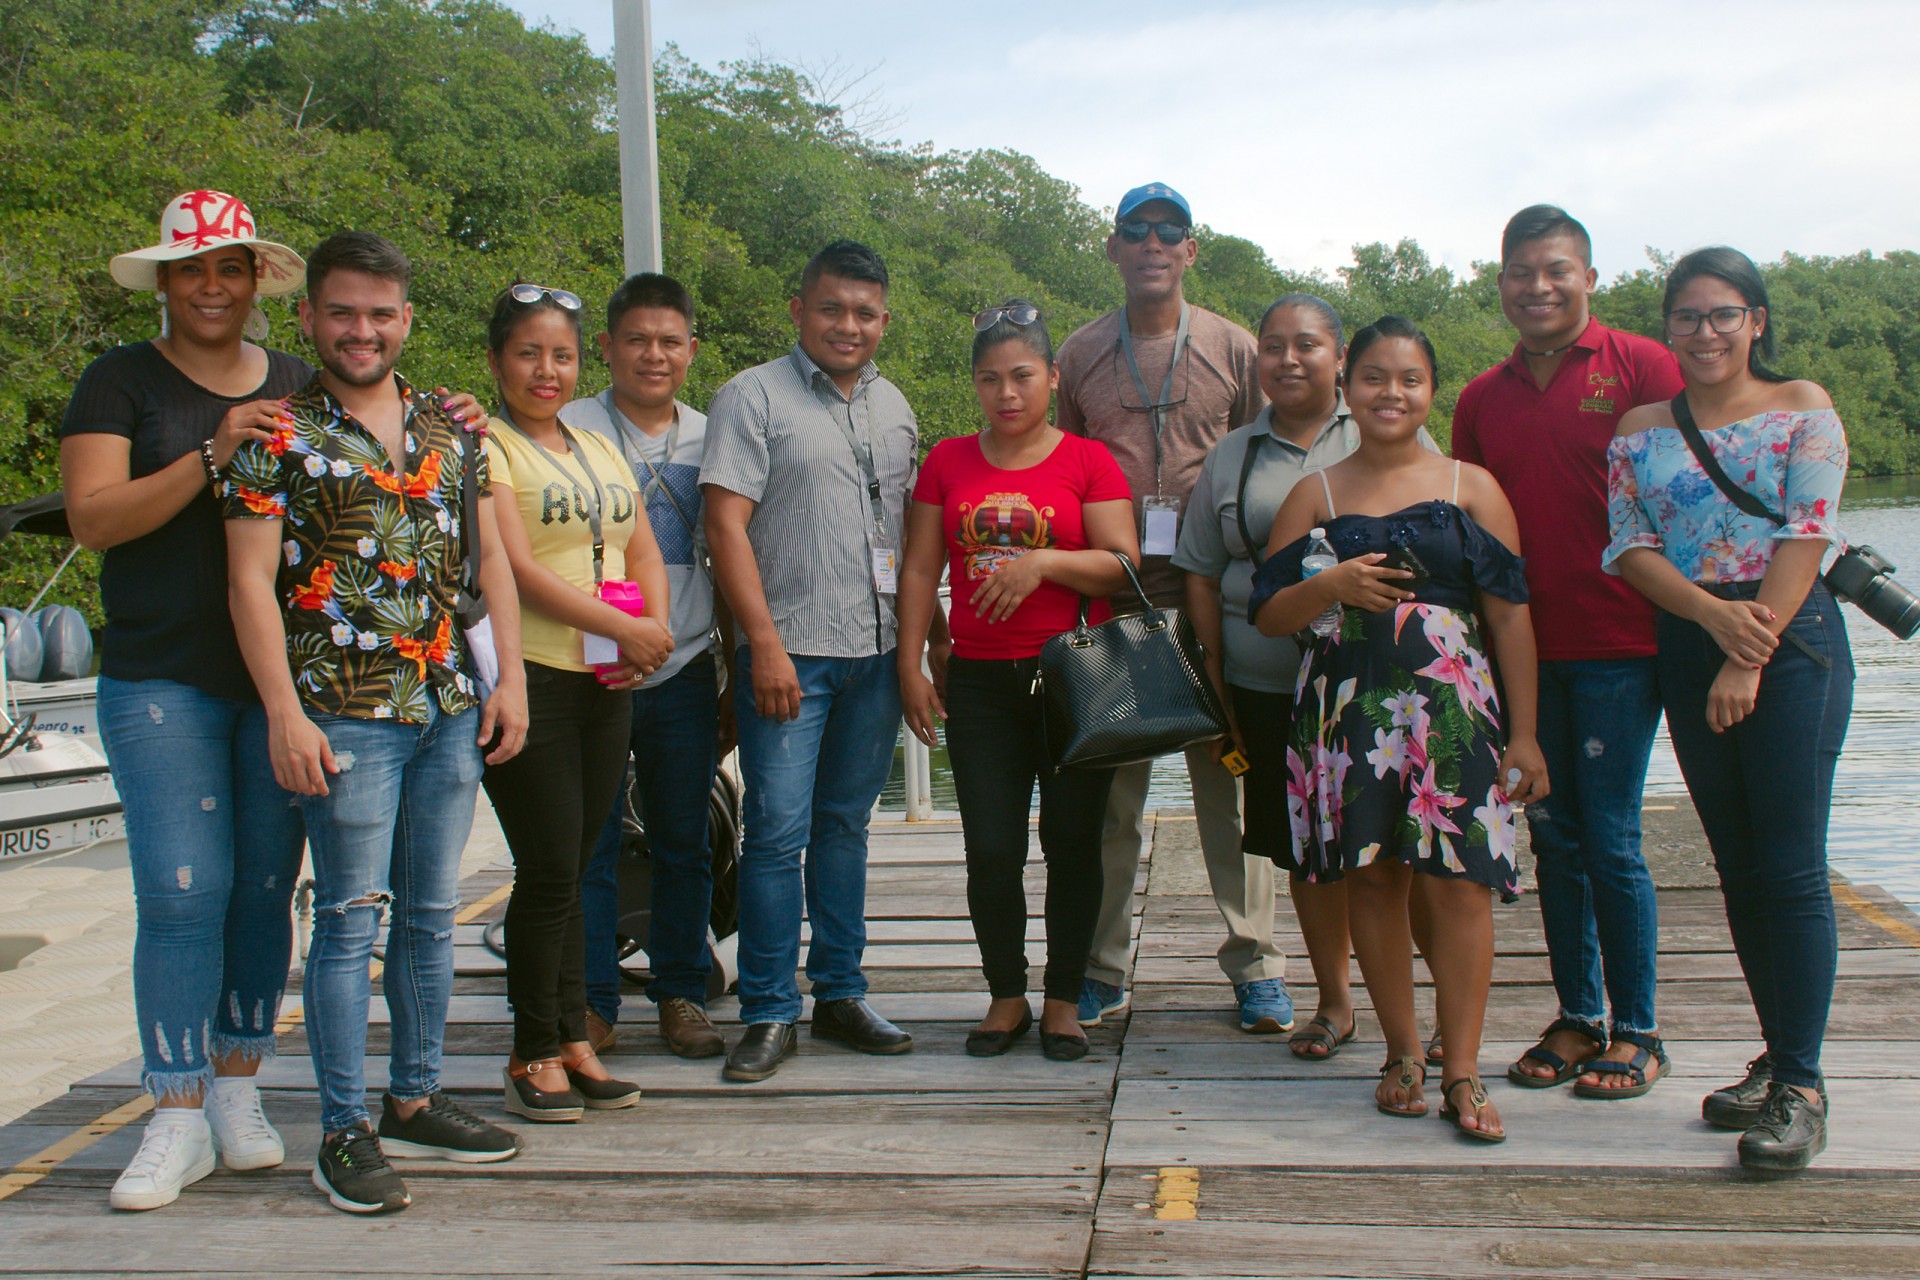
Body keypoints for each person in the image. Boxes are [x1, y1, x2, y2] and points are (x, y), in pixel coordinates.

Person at [224, 231, 530, 1214]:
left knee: (432, 914)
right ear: (309, 318)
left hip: (445, 702)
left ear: (406, 319)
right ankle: (343, 1127)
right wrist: (283, 712)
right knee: (349, 920)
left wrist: (509, 680)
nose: (363, 330)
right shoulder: (276, 430)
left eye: (381, 313)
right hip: (341, 711)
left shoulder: (451, 427)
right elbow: (248, 582)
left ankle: (417, 1094)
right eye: (343, 312)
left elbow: (487, 569)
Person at [58, 191, 312, 1212]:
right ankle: (172, 1108)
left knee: (262, 885)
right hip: (160, 670)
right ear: (163, 279)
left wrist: (457, 423)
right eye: (193, 268)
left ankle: (238, 1092)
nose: (213, 286)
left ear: (257, 281)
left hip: (279, 680)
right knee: (179, 890)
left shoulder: (299, 382)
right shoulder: (119, 380)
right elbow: (95, 517)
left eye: (231, 268)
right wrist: (210, 453)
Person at [1251, 315, 1547, 1143]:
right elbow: (1269, 614)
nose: (1392, 393)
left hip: (1454, 713)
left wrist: (1524, 736)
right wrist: (1332, 583)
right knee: (1373, 879)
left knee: (1461, 884)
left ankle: (1464, 1068)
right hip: (1346, 716)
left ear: (1431, 389)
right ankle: (1402, 1055)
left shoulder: (1472, 488)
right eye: (1375, 377)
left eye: (1409, 378)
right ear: (1348, 385)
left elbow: (1513, 621)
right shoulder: (1318, 493)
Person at [1606, 247, 1852, 1172]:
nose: (1704, 333)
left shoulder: (1803, 405)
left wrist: (1748, 652)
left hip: (1792, 643)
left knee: (1789, 865)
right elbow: (1627, 544)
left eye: (1723, 315)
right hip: (1689, 635)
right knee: (1738, 864)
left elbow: (1808, 530)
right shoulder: (1640, 425)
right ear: (1667, 328)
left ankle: (1803, 1083)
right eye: (1686, 317)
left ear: (1755, 320)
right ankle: (1777, 1055)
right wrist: (1710, 621)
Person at [1452, 205, 1685, 1094]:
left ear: (1589, 277)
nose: (1538, 288)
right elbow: (1469, 533)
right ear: (1501, 280)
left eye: (1557, 271)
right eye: (1521, 272)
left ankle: (1641, 1029)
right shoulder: (1481, 398)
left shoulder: (1645, 367)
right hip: (1522, 650)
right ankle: (1581, 1015)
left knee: (1612, 837)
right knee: (1551, 835)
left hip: (1626, 640)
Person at [1173, 294, 1438, 1060]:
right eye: (1273, 346)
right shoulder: (1234, 453)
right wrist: (1212, 682)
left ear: (1340, 361)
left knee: (1393, 847)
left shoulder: (1384, 428)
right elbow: (1200, 571)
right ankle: (1334, 1002)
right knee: (1306, 848)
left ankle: (1420, 1012)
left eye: (1309, 345)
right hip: (1265, 683)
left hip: (1376, 683)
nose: (1289, 360)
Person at [1055, 182, 1286, 1034]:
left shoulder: (1234, 346)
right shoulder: (1079, 355)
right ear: (1112, 248)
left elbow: (1261, 463)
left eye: (1170, 231)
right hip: (1118, 605)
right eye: (1135, 231)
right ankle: (1103, 969)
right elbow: (1070, 467)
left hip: (1214, 601)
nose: (1152, 243)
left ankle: (1257, 965)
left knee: (1233, 794)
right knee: (1113, 803)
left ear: (1192, 250)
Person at [701, 240, 920, 1082]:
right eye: (831, 308)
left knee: (844, 829)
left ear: (884, 321)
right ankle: (766, 1008)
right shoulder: (750, 396)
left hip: (873, 654)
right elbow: (725, 527)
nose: (848, 326)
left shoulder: (895, 404)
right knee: (774, 835)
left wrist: (914, 649)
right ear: (798, 309)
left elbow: (903, 537)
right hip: (790, 652)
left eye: (865, 313)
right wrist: (761, 646)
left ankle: (839, 991)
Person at [897, 301, 1138, 1062]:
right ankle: (1006, 994)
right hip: (979, 683)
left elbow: (1122, 560)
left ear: (1052, 378)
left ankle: (1065, 998)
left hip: (1075, 676)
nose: (1006, 393)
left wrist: (1043, 562)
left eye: (1022, 376)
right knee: (991, 849)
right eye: (989, 379)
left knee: (1073, 843)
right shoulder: (948, 461)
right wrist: (911, 661)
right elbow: (919, 568)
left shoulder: (1088, 460)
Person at [479, 283, 669, 1120]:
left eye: (560, 355)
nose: (545, 370)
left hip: (607, 679)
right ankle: (532, 1050)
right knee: (549, 869)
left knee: (583, 855)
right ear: (496, 362)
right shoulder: (485, 447)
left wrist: (651, 627)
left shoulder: (598, 445)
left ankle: (573, 1038)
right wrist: (626, 633)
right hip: (535, 677)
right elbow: (517, 569)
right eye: (527, 353)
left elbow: (641, 546)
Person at [566, 273, 734, 1061]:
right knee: (587, 842)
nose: (654, 355)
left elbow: (734, 553)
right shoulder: (565, 425)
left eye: (670, 341)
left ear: (692, 350)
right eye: (636, 339)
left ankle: (680, 993)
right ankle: (593, 1001)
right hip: (585, 668)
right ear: (605, 347)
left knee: (683, 840)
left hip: (686, 662)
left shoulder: (714, 434)